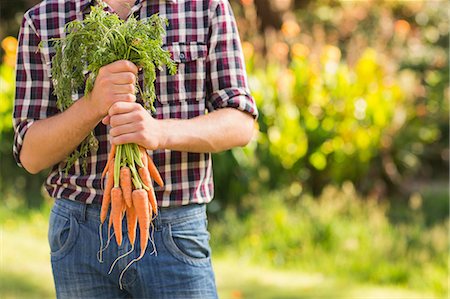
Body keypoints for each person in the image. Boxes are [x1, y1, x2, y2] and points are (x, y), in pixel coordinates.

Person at [13, 0, 258, 298]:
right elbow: (31, 155)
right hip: (79, 234)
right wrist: (92, 105)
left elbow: (240, 123)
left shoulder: (205, 7)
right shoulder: (44, 20)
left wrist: (159, 132)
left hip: (174, 227)